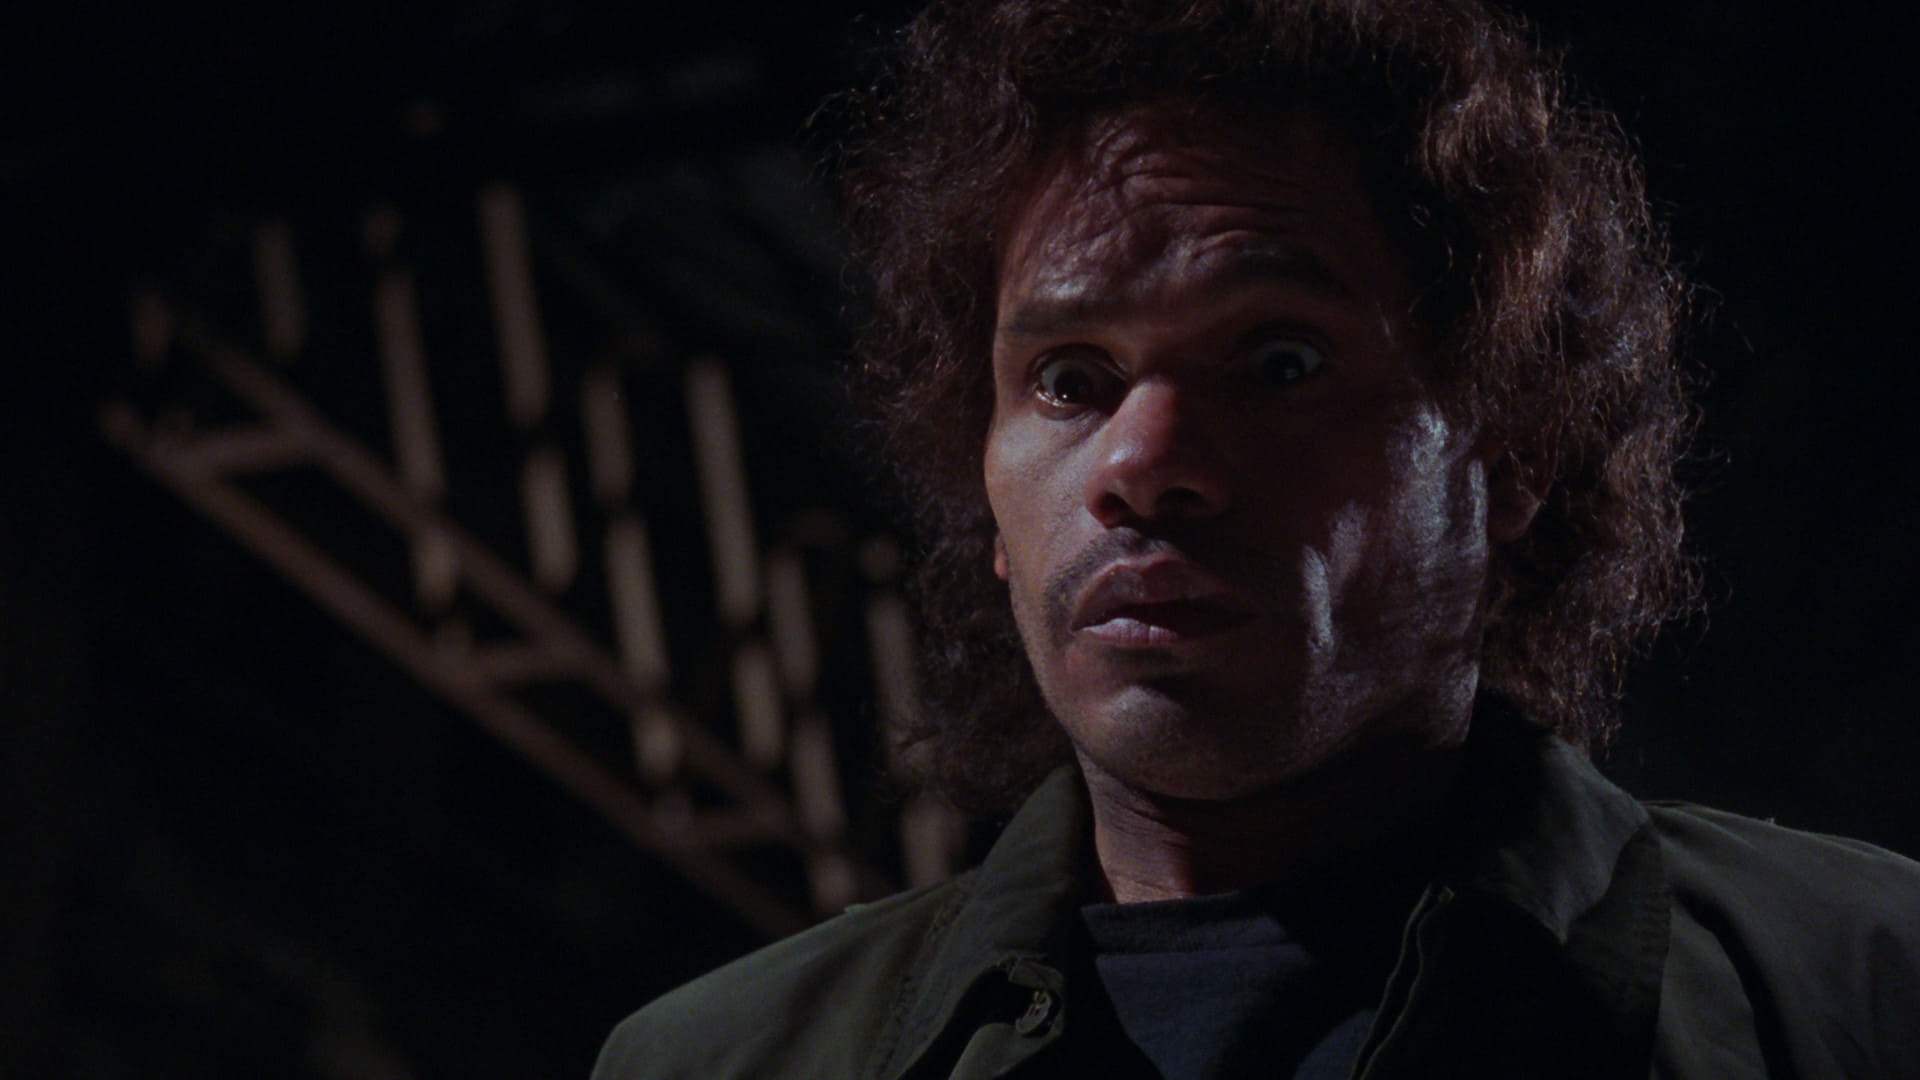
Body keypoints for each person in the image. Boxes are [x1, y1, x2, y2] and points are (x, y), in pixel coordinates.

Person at [593, 0, 1920, 1076]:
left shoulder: (1861, 988)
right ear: (985, 498)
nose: (1143, 465)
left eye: (1279, 361)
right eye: (1069, 380)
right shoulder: (718, 1063)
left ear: (1512, 456)